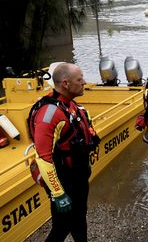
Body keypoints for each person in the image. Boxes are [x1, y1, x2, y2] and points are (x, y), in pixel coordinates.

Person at [30, 63, 99, 241]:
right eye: (80, 79)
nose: (84, 82)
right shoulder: (50, 114)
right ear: (66, 84)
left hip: (78, 177)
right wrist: (58, 193)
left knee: (79, 220)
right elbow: (43, 158)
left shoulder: (71, 105)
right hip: (63, 181)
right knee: (61, 227)